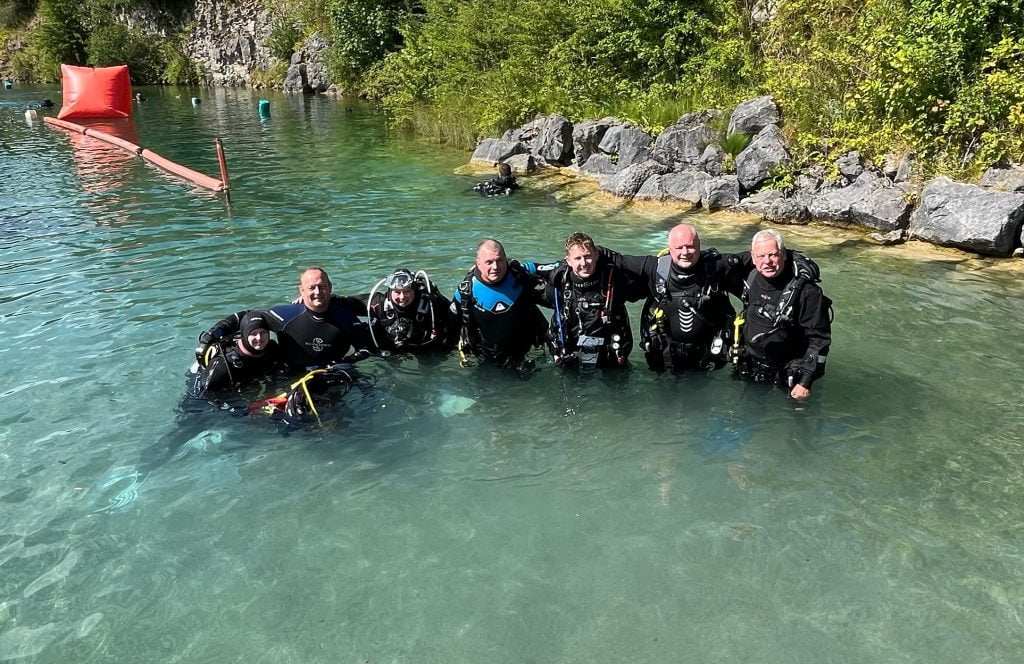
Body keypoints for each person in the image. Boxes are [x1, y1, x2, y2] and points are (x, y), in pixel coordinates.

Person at [608, 224, 748, 374]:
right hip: (665, 356)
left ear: (699, 246)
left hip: (708, 356)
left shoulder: (717, 266)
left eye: (690, 246)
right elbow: (618, 260)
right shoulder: (655, 268)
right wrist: (589, 256)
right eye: (679, 248)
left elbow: (755, 257)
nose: (685, 252)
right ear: (669, 248)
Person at [195, 267, 372, 370]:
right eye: (311, 288)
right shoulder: (286, 315)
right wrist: (211, 335)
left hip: (334, 375)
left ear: (330, 288)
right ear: (301, 290)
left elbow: (366, 350)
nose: (317, 292)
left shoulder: (346, 318)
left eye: (322, 287)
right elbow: (247, 317)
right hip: (289, 377)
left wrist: (343, 363)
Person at [732, 229, 832, 400]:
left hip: (791, 374)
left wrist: (806, 382)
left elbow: (820, 339)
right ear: (753, 257)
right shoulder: (749, 278)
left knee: (797, 421)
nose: (767, 262)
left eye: (773, 255)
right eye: (761, 256)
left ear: (784, 254)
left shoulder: (806, 291)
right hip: (752, 365)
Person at [540, 232, 644, 368]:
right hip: (572, 354)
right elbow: (533, 298)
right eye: (578, 258)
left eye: (587, 256)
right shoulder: (559, 284)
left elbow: (647, 288)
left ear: (596, 255)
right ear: (568, 261)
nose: (584, 263)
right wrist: (556, 353)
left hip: (609, 353)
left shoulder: (614, 281)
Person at [451, 239, 547, 368]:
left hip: (528, 350)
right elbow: (450, 327)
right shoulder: (465, 292)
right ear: (478, 264)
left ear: (506, 260)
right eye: (489, 262)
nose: (495, 267)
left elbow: (560, 267)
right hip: (487, 357)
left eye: (500, 260)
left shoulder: (520, 273)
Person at [356, 268, 457, 352]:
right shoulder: (378, 303)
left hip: (425, 349)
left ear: (414, 290)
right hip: (389, 350)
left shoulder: (429, 303)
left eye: (407, 291)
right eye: (397, 292)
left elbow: (455, 314)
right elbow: (345, 303)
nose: (402, 297)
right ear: (390, 291)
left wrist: (437, 296)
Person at [188, 312, 280, 399]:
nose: (259, 338)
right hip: (205, 385)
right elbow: (203, 398)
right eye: (253, 334)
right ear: (244, 335)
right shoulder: (225, 365)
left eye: (263, 332)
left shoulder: (272, 350)